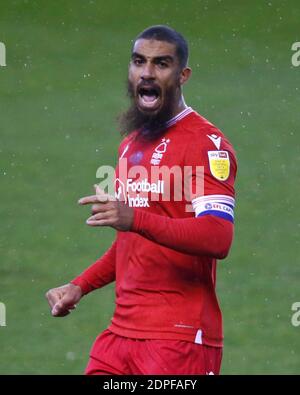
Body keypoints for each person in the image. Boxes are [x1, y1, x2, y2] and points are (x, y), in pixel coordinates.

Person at [46, 25, 237, 375]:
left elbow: (217, 237)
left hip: (178, 339)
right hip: (119, 337)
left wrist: (134, 218)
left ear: (183, 75)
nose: (147, 73)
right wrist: (80, 285)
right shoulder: (131, 144)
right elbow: (133, 244)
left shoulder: (207, 144)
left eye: (161, 64)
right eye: (139, 62)